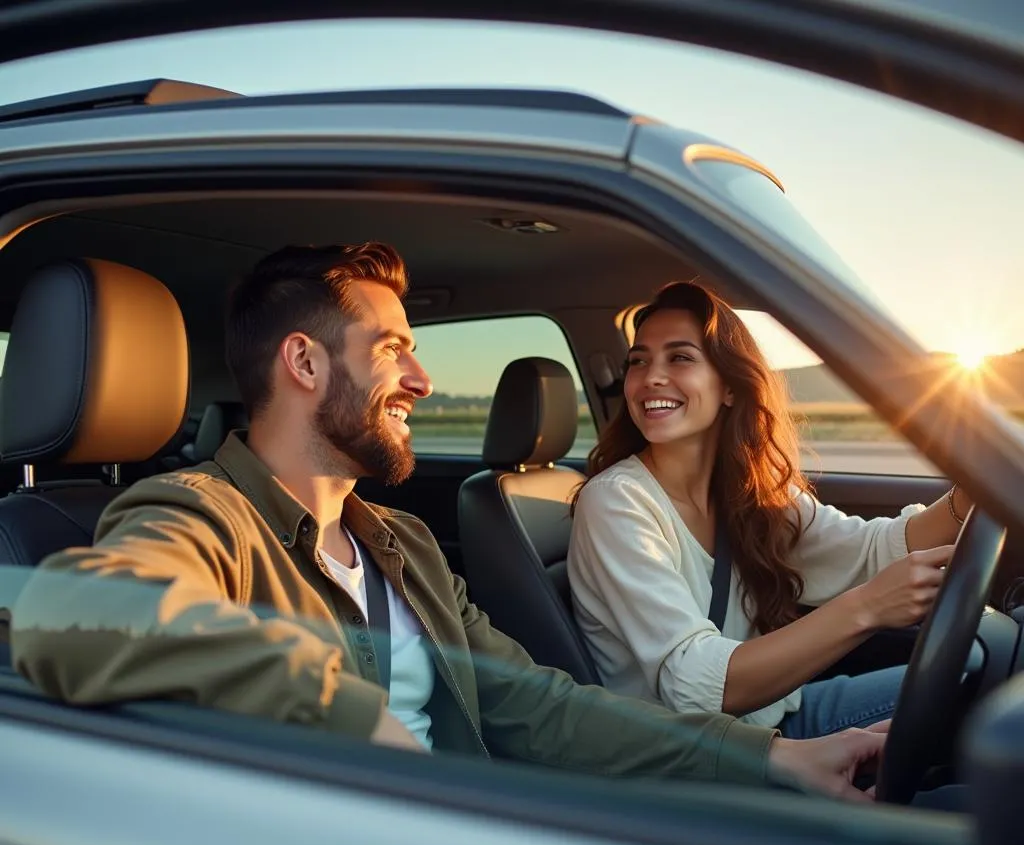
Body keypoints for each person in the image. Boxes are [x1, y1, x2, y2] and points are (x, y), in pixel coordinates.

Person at [11, 245, 887, 801]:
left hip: (477, 842)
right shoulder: (199, 514)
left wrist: (765, 760)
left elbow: (537, 708)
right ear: (305, 362)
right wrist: (347, 718)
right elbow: (71, 617)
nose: (424, 379)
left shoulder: (404, 545)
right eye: (394, 348)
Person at [568, 281, 970, 739]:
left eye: (679, 357)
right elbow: (697, 685)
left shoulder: (750, 493)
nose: (651, 377)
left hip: (774, 717)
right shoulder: (617, 501)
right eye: (638, 361)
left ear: (730, 389)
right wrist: (870, 607)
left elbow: (871, 551)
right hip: (701, 756)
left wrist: (976, 487)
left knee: (976, 672)